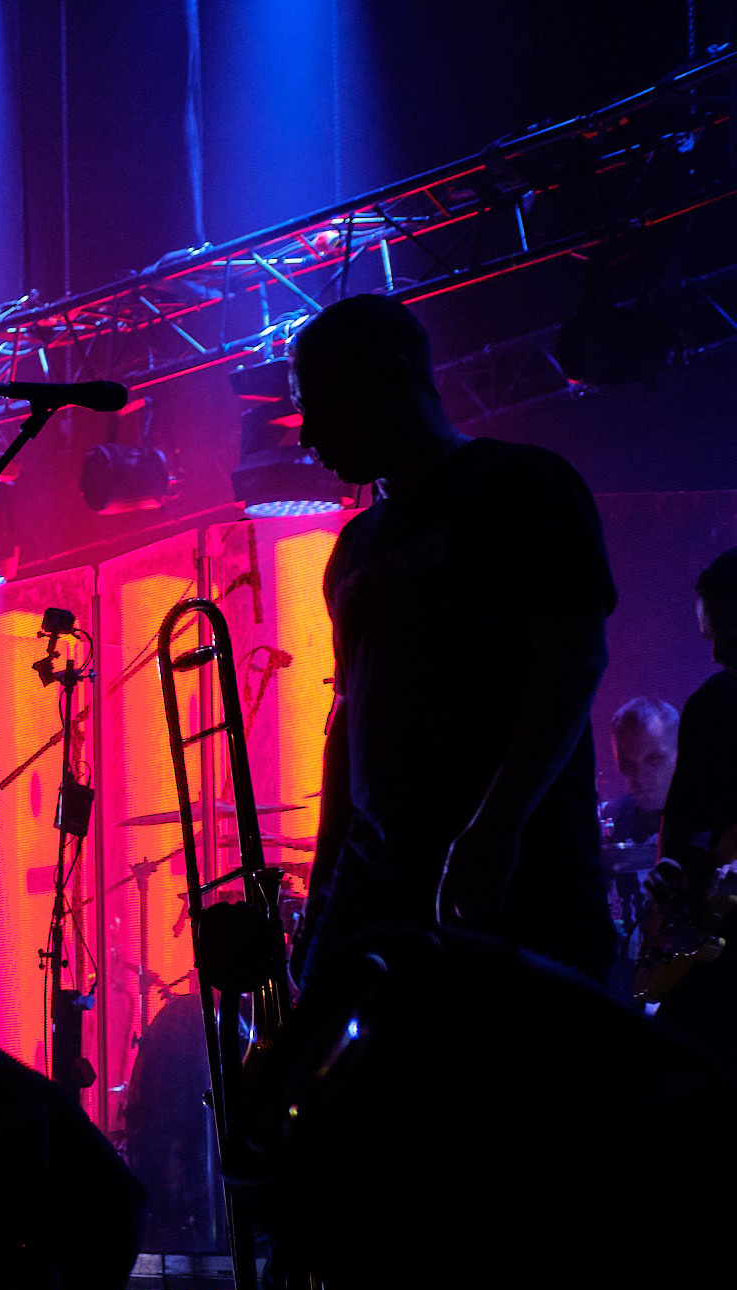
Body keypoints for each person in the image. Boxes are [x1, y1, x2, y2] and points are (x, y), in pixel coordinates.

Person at [291, 294, 617, 987]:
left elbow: (574, 657)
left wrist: (498, 823)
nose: (305, 434)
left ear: (392, 375)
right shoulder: (352, 544)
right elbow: (349, 725)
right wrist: (323, 898)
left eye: (321, 402)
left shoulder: (522, 483)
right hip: (384, 887)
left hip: (525, 874)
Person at [647, 553, 737, 1067]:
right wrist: (672, 872)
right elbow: (681, 820)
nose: (719, 655)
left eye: (731, 635)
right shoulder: (713, 704)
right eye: (711, 638)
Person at [601, 696, 678, 979]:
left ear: (680, 751)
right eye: (627, 765)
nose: (640, 776)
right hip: (625, 976)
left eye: (654, 759)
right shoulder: (609, 821)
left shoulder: (711, 820)